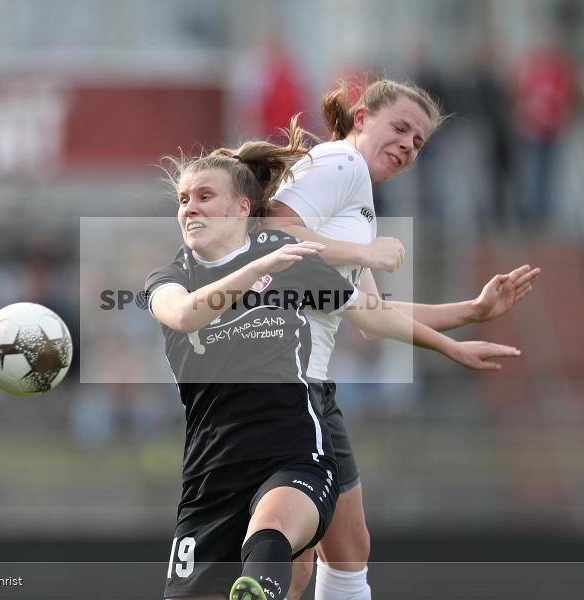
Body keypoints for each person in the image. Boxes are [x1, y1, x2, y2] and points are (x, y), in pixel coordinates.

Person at [145, 119, 523, 600]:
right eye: (183, 200)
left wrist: (462, 327)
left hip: (294, 450)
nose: (190, 208)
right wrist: (258, 269)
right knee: (293, 576)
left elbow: (374, 314)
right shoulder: (172, 276)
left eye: (203, 196)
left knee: (277, 529)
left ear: (243, 207)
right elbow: (183, 315)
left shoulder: (286, 257)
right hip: (211, 470)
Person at [266, 80, 542, 600]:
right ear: (362, 118)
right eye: (400, 128)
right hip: (291, 387)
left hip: (307, 388)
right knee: (298, 559)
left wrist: (472, 316)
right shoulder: (340, 165)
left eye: (418, 142)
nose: (408, 146)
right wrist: (368, 256)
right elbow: (271, 231)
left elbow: (372, 315)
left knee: (345, 549)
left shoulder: (357, 197)